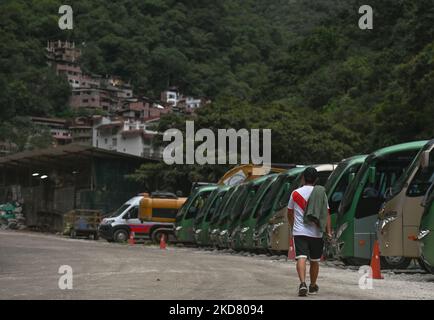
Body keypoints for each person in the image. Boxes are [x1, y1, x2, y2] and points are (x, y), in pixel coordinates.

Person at [287, 167, 332, 297]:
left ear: (303, 178)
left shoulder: (295, 193)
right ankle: (312, 285)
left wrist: (293, 226)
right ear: (316, 179)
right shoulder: (321, 193)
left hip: (299, 231)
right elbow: (326, 214)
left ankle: (302, 283)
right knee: (314, 260)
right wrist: (329, 231)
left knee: (301, 257)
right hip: (316, 232)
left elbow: (289, 213)